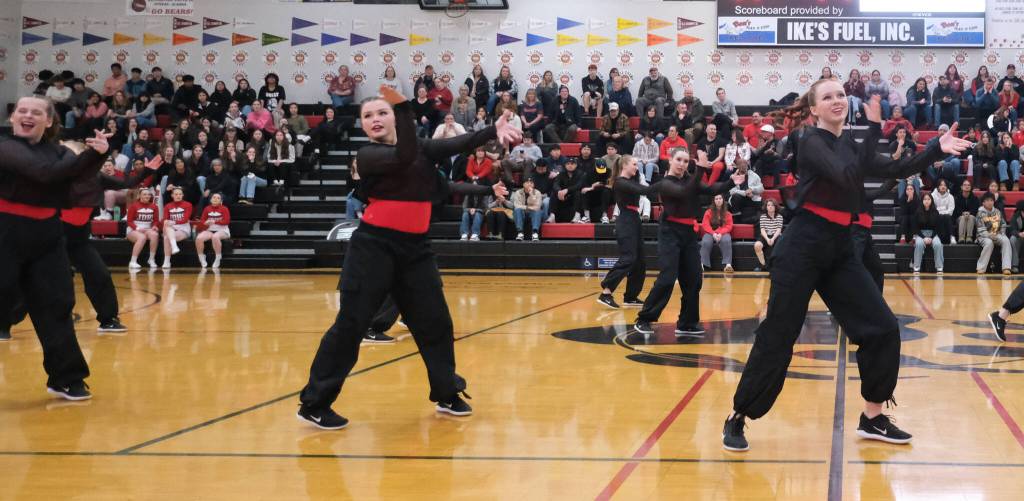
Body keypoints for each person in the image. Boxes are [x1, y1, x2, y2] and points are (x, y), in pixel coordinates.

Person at [722, 83, 970, 453]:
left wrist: (935, 148)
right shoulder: (808, 140)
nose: (837, 101)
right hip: (802, 246)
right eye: (828, 97)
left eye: (841, 95)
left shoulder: (851, 145)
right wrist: (873, 131)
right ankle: (739, 415)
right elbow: (846, 175)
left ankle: (872, 417)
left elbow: (896, 167)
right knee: (779, 335)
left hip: (839, 247)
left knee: (883, 328)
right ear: (814, 110)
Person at [296, 84, 520, 429]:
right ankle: (314, 403)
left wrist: (492, 130)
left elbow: (454, 144)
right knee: (350, 326)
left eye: (381, 112)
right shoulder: (368, 156)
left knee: (436, 324)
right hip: (373, 248)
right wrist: (402, 107)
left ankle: (447, 392)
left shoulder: (421, 152)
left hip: (415, 250)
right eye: (368, 115)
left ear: (393, 120)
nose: (375, 119)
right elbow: (402, 156)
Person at [0, 97, 110, 394]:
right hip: (5, 231)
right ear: (13, 118)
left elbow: (74, 178)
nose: (27, 115)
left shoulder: (59, 152)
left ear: (49, 122)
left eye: (36, 112)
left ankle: (68, 377)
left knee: (57, 306)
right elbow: (46, 173)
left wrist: (96, 154)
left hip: (47, 235)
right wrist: (87, 158)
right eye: (21, 110)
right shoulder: (5, 146)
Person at [633, 148, 733, 335]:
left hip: (689, 233)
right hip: (669, 231)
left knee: (694, 278)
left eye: (686, 161)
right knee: (668, 277)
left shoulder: (690, 180)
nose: (682, 164)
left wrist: (732, 181)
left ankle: (687, 322)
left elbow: (712, 189)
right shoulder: (665, 183)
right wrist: (701, 170)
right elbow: (684, 193)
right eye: (679, 159)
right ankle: (645, 318)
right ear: (670, 160)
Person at [598, 155, 662, 308]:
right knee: (629, 258)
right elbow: (644, 189)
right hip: (626, 221)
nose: (637, 167)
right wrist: (666, 182)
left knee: (640, 262)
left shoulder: (630, 180)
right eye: (634, 164)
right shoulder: (620, 183)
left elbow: (640, 185)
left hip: (634, 219)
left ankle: (631, 296)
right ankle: (606, 292)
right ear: (624, 166)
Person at [977, 192, 1012, 274]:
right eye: (987, 200)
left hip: (997, 234)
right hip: (983, 236)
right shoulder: (980, 213)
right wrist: (989, 235)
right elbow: (980, 229)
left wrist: (1002, 232)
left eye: (991, 200)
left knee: (1006, 240)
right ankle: (981, 268)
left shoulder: (997, 212)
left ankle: (1006, 267)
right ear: (983, 202)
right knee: (989, 243)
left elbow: (1003, 224)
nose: (990, 202)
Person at [125, 187, 160, 269]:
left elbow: (156, 220)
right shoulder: (134, 206)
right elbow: (129, 221)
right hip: (133, 229)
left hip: (147, 229)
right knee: (142, 237)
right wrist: (137, 228)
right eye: (144, 194)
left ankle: (151, 259)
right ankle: (133, 261)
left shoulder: (154, 207)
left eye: (148, 194)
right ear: (139, 196)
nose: (147, 196)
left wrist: (155, 226)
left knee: (155, 235)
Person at [195, 193, 231, 269]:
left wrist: (215, 222)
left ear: (221, 201)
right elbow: (202, 221)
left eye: (218, 198)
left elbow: (227, 221)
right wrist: (205, 223)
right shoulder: (207, 208)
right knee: (199, 238)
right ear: (211, 200)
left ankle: (218, 257)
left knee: (215, 236)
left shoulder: (224, 208)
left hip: (222, 230)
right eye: (214, 197)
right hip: (210, 230)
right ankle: (201, 257)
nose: (215, 199)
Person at [700, 193, 734, 272]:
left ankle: (728, 265)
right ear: (714, 201)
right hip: (710, 233)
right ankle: (703, 264)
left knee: (727, 240)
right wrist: (713, 233)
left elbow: (729, 226)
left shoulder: (728, 213)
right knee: (705, 242)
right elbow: (705, 225)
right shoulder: (708, 212)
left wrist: (720, 233)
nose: (718, 200)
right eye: (716, 199)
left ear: (723, 200)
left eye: (720, 198)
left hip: (722, 233)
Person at [911, 193, 944, 273]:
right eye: (925, 199)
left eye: (928, 199)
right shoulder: (918, 212)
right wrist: (924, 237)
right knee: (919, 244)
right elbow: (915, 228)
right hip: (921, 234)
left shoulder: (935, 212)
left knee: (938, 244)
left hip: (933, 234)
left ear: (931, 201)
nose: (927, 201)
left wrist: (931, 238)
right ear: (922, 201)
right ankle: (916, 266)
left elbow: (937, 228)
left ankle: (939, 267)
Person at [161, 187, 193, 269]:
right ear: (172, 195)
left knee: (166, 238)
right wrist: (166, 221)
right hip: (171, 228)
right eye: (176, 194)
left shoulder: (188, 205)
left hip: (183, 228)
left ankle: (167, 261)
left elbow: (185, 219)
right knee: (167, 227)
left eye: (180, 194)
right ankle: (174, 247)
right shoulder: (168, 206)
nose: (178, 196)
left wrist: (173, 222)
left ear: (183, 195)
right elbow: (165, 218)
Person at [550, 157, 586, 223]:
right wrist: (559, 191)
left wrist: (567, 190)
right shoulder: (561, 174)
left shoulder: (581, 174)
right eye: (568, 164)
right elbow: (556, 184)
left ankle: (577, 215)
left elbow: (579, 185)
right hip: (563, 196)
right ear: (565, 165)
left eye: (572, 164)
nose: (570, 165)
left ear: (576, 165)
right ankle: (552, 215)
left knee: (578, 193)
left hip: (574, 196)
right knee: (553, 193)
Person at [727, 158, 762, 222]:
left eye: (744, 164)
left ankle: (757, 219)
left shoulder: (754, 175)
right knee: (735, 196)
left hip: (752, 197)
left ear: (747, 165)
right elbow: (732, 191)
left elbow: (761, 188)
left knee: (760, 200)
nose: (743, 166)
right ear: (737, 166)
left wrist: (752, 190)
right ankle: (736, 218)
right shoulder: (733, 176)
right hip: (740, 199)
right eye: (740, 164)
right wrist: (745, 193)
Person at [754, 198, 783, 271]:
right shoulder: (763, 217)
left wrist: (772, 239)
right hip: (765, 235)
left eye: (772, 205)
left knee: (783, 244)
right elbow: (762, 229)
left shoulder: (779, 217)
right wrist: (767, 239)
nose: (770, 206)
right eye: (768, 205)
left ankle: (778, 266)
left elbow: (778, 230)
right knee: (757, 245)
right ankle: (762, 265)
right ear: (766, 207)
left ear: (775, 207)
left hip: (775, 235)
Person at [954, 179, 980, 243]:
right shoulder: (957, 198)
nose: (967, 186)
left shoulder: (975, 198)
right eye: (965, 185)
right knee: (963, 217)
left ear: (971, 187)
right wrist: (963, 213)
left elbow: (975, 209)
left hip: (971, 217)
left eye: (968, 185)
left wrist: (969, 213)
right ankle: (961, 237)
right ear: (961, 187)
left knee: (970, 217)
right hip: (960, 217)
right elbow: (956, 210)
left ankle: (969, 237)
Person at [932, 179, 956, 244]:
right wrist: (942, 211)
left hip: (947, 217)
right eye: (941, 185)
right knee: (940, 217)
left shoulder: (950, 197)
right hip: (936, 216)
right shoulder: (933, 196)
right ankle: (939, 238)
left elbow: (951, 210)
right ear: (938, 187)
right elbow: (933, 210)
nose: (943, 187)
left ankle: (952, 237)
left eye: (945, 185)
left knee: (946, 217)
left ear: (947, 187)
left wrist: (940, 212)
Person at [1009, 200, 1024, 273]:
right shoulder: (1016, 216)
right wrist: (1019, 234)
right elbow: (1012, 230)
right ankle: (1014, 265)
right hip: (1020, 237)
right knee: (1013, 239)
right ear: (1021, 211)